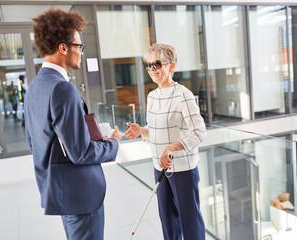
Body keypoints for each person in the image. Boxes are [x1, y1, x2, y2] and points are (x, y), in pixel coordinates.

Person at [24, 8, 121, 240]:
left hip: (62, 192)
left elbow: (33, 142)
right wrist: (113, 143)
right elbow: (80, 152)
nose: (81, 52)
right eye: (79, 46)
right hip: (80, 196)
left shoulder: (36, 86)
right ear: (63, 48)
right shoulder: (62, 89)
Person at [125, 43, 206, 240]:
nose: (152, 69)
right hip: (159, 166)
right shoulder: (152, 96)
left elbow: (199, 132)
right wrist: (141, 130)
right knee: (168, 223)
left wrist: (172, 147)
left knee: (190, 223)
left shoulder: (183, 95)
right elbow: (155, 129)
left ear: (171, 66)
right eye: (149, 65)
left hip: (182, 170)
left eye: (157, 64)